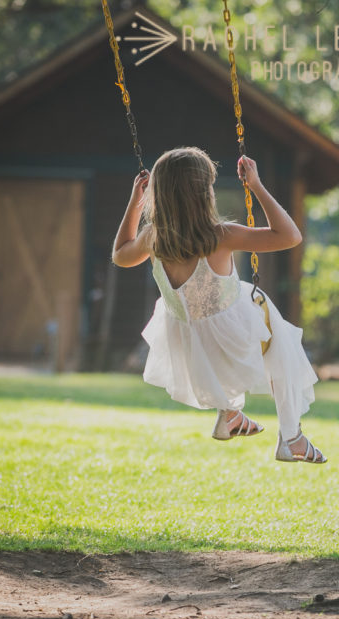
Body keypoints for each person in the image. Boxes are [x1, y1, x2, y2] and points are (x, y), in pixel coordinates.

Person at [111, 146, 325, 464]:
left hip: (190, 344)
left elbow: (120, 255)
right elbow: (290, 236)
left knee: (243, 309)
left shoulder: (152, 238)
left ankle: (229, 413)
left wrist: (135, 201)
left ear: (159, 195)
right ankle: (291, 436)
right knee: (280, 340)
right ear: (203, 194)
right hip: (231, 337)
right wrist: (256, 185)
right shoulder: (222, 236)